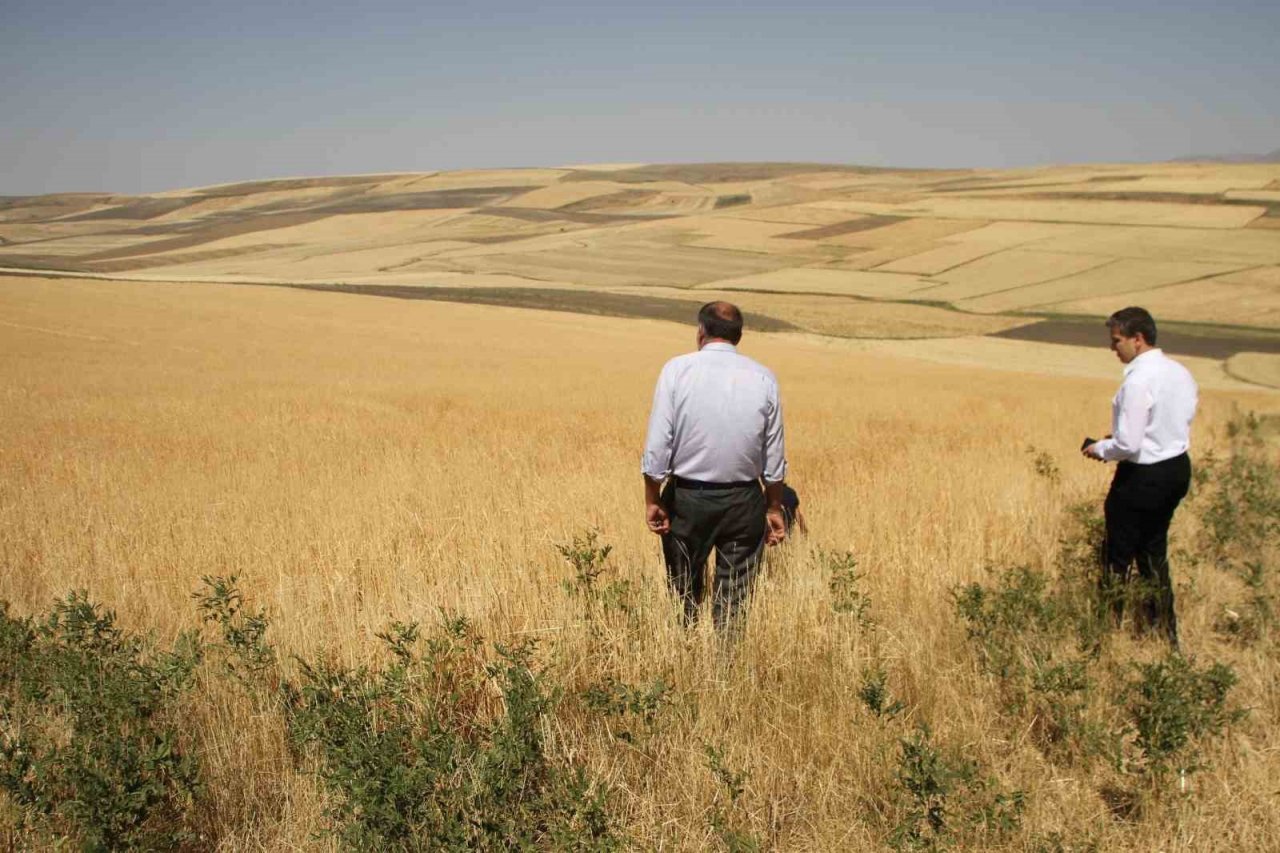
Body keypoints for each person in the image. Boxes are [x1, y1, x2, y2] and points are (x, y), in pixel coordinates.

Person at [641, 301, 788, 630]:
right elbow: (774, 454)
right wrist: (774, 506)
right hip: (743, 503)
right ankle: (727, 672)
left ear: (701, 332)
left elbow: (657, 446)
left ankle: (686, 662)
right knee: (734, 603)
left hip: (687, 501)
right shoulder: (764, 377)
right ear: (739, 336)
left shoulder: (677, 370)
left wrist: (653, 499)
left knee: (684, 597)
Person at [1082, 307, 1198, 648]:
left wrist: (1100, 448)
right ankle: (1165, 635)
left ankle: (1103, 639)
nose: (1112, 348)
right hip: (1176, 468)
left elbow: (1129, 444)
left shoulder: (1138, 381)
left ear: (1138, 339)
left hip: (1141, 476)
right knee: (1153, 554)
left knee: (1116, 557)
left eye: (1117, 340)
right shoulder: (1181, 373)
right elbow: (1179, 419)